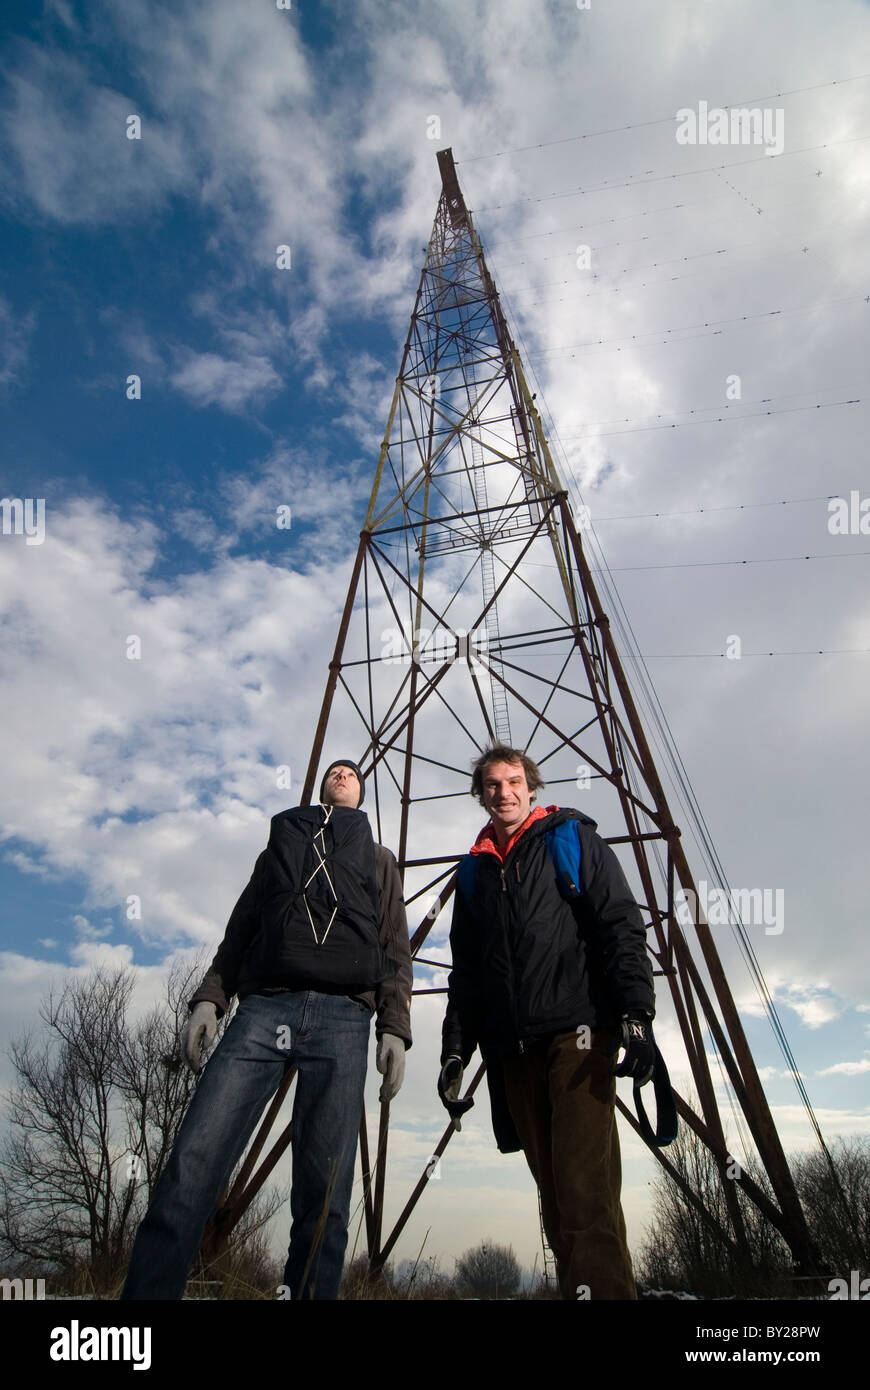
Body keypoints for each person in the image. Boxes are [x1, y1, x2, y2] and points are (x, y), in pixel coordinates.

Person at [121, 759, 412, 1301]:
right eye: (334, 770)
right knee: (193, 1160)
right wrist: (212, 996)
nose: (342, 773)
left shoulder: (379, 859)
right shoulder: (281, 844)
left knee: (325, 1193)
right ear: (320, 788)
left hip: (345, 1017)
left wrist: (393, 1026)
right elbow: (243, 926)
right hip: (263, 1009)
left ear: (362, 792)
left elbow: (394, 947)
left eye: (351, 772)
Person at [438, 744, 656, 1300]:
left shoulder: (571, 837)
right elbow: (466, 970)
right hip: (512, 1048)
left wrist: (636, 1013)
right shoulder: (472, 872)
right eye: (492, 785)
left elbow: (619, 925)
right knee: (556, 1197)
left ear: (530, 787)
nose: (503, 792)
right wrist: (455, 1050)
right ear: (480, 795)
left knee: (586, 1190)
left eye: (513, 781)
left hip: (578, 1034)